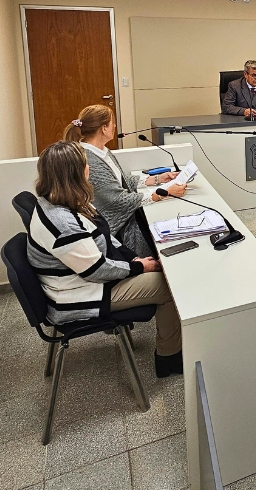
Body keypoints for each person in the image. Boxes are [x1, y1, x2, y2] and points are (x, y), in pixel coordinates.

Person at [27, 141, 183, 377]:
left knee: (158, 270)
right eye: (85, 165)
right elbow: (97, 270)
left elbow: (104, 235)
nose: (89, 168)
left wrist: (134, 258)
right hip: (80, 294)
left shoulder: (60, 200)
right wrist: (138, 267)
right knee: (168, 284)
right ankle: (169, 359)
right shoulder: (62, 222)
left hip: (84, 280)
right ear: (75, 173)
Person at [64, 105, 186, 259]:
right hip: (118, 230)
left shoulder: (101, 151)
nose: (115, 126)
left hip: (127, 215)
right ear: (104, 129)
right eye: (112, 123)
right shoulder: (90, 159)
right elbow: (118, 200)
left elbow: (119, 181)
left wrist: (156, 179)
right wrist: (163, 193)